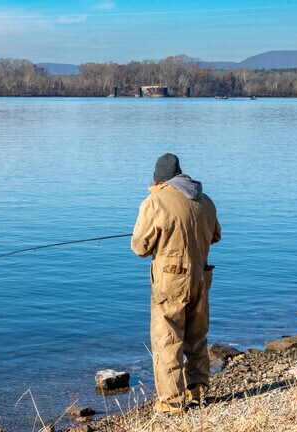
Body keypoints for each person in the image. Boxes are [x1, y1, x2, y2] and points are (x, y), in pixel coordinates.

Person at [131, 153, 221, 414]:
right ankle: (198, 390)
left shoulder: (155, 200)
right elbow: (215, 235)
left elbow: (140, 246)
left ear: (159, 180)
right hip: (202, 275)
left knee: (167, 338)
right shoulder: (205, 200)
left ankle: (171, 401)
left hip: (171, 279)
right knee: (196, 335)